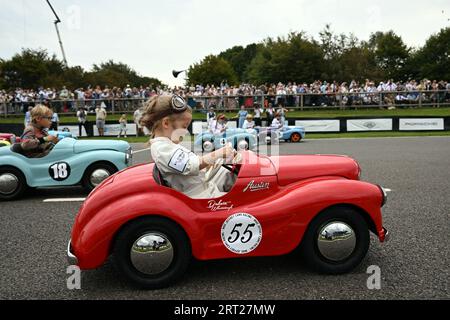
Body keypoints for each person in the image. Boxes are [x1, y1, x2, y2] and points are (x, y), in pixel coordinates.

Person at [140, 95, 236, 199]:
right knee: (242, 196)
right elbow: (191, 165)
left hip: (203, 184)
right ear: (166, 123)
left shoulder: (168, 145)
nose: (186, 131)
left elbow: (191, 162)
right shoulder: (162, 149)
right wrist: (219, 153)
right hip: (200, 196)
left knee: (236, 171)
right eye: (184, 127)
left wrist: (211, 163)